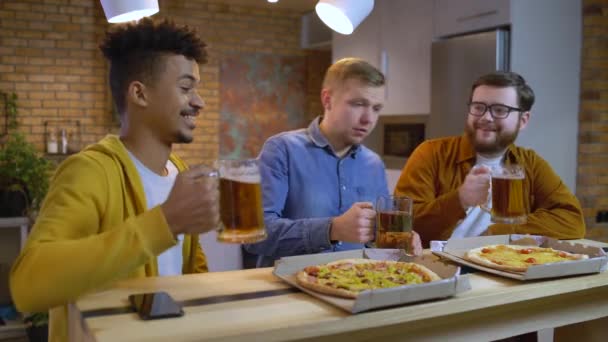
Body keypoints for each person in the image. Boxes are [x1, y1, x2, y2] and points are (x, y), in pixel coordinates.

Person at [10, 19, 219, 341]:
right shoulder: (89, 171)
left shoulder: (179, 171)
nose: (199, 101)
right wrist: (164, 223)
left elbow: (188, 274)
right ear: (139, 93)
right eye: (186, 87)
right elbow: (28, 287)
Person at [243, 58, 422, 268]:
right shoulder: (282, 149)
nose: (368, 119)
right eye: (358, 104)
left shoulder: (373, 164)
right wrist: (331, 229)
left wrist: (398, 241)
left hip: (356, 286)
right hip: (289, 290)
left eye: (376, 108)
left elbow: (374, 241)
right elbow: (252, 237)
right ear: (327, 99)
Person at [395, 71, 585, 247]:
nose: (486, 117)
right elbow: (402, 226)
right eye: (479, 107)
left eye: (500, 110)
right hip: (440, 268)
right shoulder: (431, 153)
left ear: (523, 120)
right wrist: (459, 200)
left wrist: (500, 232)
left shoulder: (530, 164)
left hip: (504, 266)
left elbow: (572, 221)